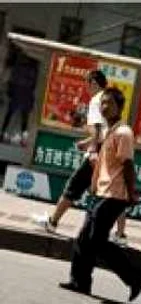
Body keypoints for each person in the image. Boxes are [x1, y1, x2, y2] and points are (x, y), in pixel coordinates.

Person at [58, 87, 141, 301]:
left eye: (110, 104)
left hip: (114, 195)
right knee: (85, 238)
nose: (105, 107)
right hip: (101, 191)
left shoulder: (123, 133)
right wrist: (94, 185)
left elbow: (127, 165)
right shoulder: (109, 131)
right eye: (102, 103)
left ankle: (133, 275)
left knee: (95, 240)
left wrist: (132, 193)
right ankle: (80, 281)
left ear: (120, 107)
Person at [33, 70, 110, 233]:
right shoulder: (108, 99)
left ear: (94, 84)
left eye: (87, 83)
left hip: (98, 151)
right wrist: (88, 142)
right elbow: (104, 130)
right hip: (107, 149)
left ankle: (52, 222)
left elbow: (97, 131)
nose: (86, 87)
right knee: (111, 191)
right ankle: (120, 233)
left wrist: (91, 147)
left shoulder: (96, 100)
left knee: (74, 186)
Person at [1, 45, 38, 143]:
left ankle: (4, 132)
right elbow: (34, 84)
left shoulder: (17, 67)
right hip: (26, 94)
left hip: (17, 93)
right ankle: (23, 135)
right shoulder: (33, 69)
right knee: (24, 116)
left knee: (10, 114)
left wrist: (10, 91)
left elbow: (11, 81)